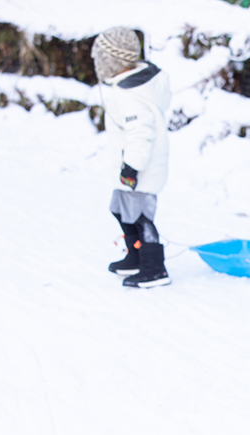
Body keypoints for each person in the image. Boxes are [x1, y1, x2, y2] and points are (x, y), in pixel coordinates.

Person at [92, 26, 172, 288]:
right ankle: (135, 255)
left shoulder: (129, 94)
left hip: (140, 169)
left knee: (140, 216)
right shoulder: (128, 86)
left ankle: (154, 267)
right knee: (120, 209)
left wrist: (131, 167)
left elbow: (141, 134)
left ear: (111, 61)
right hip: (130, 167)